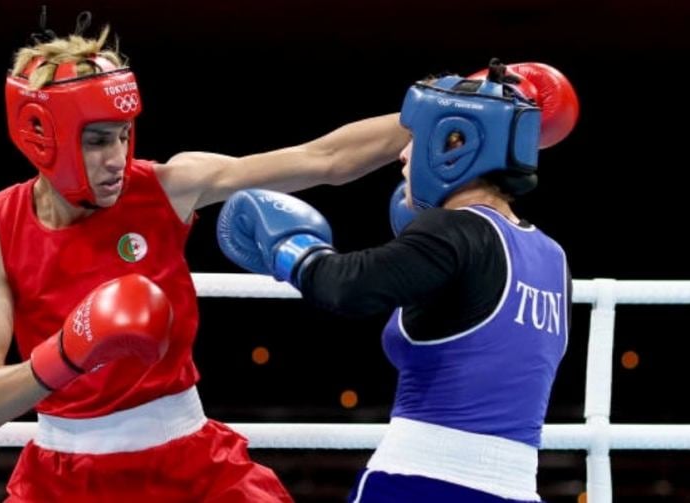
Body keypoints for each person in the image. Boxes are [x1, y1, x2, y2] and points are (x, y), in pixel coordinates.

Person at [0, 15, 410, 502]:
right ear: (42, 136)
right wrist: (69, 352)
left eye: (124, 135)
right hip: (62, 481)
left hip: (190, 466)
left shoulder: (167, 187)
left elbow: (323, 159)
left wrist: (438, 110)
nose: (117, 157)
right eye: (97, 140)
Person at [217, 59, 579, 502]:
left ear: (455, 143)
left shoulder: (456, 230)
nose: (403, 155)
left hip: (420, 482)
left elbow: (346, 287)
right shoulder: (551, 257)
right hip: (518, 489)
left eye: (415, 139)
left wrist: (291, 249)